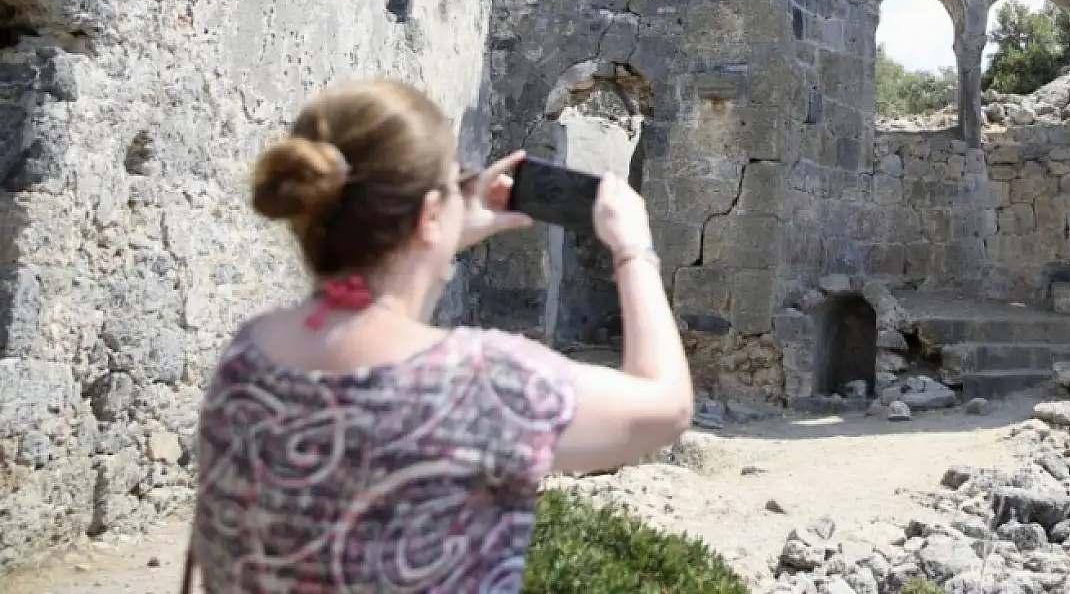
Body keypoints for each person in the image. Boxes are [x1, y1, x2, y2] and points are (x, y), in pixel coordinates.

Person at [184, 77, 692, 592]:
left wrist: (436, 236)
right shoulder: (481, 383)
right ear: (429, 214)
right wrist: (633, 247)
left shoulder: (247, 356)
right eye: (455, 184)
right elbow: (666, 406)